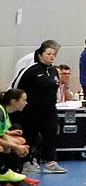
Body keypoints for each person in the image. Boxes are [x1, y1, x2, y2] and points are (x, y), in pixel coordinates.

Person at [14, 41, 64, 174]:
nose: (52, 56)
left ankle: (51, 162)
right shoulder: (31, 70)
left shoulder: (54, 71)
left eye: (53, 54)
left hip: (50, 110)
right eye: (48, 54)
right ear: (40, 55)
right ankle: (28, 161)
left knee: (51, 135)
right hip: (32, 111)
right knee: (31, 136)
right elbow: (16, 87)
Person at [1, 89, 40, 186]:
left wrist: (9, 132)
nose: (26, 103)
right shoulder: (0, 111)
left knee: (19, 141)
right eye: (24, 100)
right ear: (14, 101)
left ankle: (9, 177)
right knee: (4, 146)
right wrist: (16, 146)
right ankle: (4, 174)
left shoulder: (4, 112)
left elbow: (1, 131)